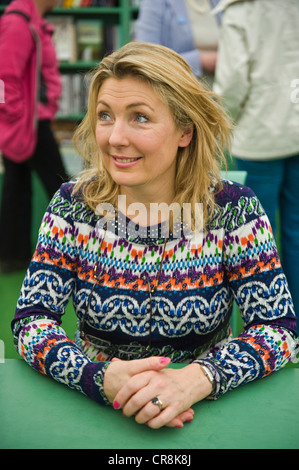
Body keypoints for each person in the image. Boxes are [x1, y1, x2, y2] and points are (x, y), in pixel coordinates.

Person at [11, 42, 297, 430]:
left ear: (185, 131)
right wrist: (98, 376)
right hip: (95, 408)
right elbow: (32, 320)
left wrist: (196, 378)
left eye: (140, 118)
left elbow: (277, 327)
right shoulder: (72, 206)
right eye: (105, 116)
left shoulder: (234, 211)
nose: (114, 138)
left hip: (203, 408)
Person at [213, 0, 299, 333]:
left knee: (255, 241)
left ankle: (266, 331)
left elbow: (233, 82)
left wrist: (221, 120)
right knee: (295, 233)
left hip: (259, 134)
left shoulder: (241, 10)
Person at [0, 0, 68, 274]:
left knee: (18, 185)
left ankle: (11, 256)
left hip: (29, 119)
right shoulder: (18, 22)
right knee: (63, 187)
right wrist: (16, 116)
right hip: (27, 121)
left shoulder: (30, 21)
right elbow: (3, 77)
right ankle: (86, 250)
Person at [134, 0, 221, 87]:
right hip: (180, 91)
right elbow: (145, 58)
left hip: (225, 87)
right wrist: (199, 61)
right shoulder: (155, 2)